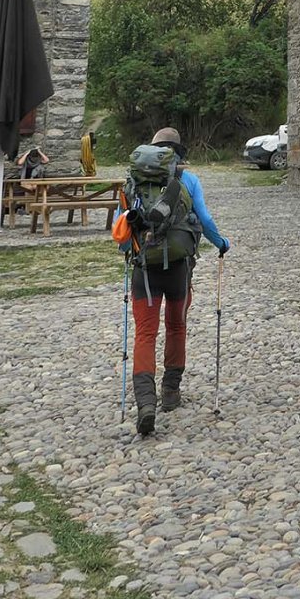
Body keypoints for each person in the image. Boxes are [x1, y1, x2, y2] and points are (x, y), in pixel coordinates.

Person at [117, 125, 229, 436]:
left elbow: (121, 234)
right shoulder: (189, 180)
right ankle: (170, 391)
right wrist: (221, 243)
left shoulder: (134, 182)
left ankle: (145, 402)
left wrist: (133, 250)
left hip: (144, 272)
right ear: (178, 153)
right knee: (176, 326)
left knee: (145, 333)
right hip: (179, 269)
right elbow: (204, 220)